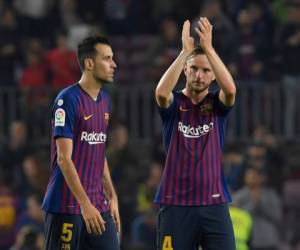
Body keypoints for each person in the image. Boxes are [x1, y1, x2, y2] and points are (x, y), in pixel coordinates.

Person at [154, 17, 237, 250]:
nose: (199, 75)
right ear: (185, 71)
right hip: (175, 204)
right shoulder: (174, 105)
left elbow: (230, 90)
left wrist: (209, 49)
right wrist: (184, 53)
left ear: (213, 76)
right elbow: (161, 92)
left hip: (214, 204)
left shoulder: (217, 106)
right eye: (194, 69)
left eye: (205, 70)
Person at [42, 35, 120, 250]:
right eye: (107, 58)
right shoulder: (67, 100)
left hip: (98, 206)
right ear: (89, 63)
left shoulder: (105, 100)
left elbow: (98, 151)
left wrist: (112, 196)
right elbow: (64, 159)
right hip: (66, 206)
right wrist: (84, 205)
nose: (114, 64)